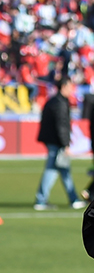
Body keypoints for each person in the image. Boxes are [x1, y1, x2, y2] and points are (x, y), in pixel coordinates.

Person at [33, 75, 87, 211]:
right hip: (56, 142)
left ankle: (72, 198)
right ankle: (42, 199)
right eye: (70, 86)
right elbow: (61, 125)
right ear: (63, 87)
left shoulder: (54, 101)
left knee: (62, 170)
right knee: (53, 170)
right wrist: (65, 144)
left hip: (53, 140)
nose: (71, 89)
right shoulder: (60, 103)